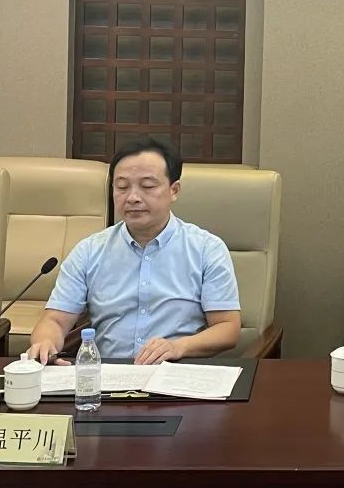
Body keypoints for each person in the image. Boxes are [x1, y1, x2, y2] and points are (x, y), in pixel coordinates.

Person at [26, 137, 241, 365]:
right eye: (122, 187)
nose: (133, 198)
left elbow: (227, 328)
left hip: (177, 372)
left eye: (147, 186)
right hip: (107, 374)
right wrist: (45, 342)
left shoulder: (206, 249)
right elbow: (55, 321)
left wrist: (178, 347)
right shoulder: (89, 251)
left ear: (174, 190)